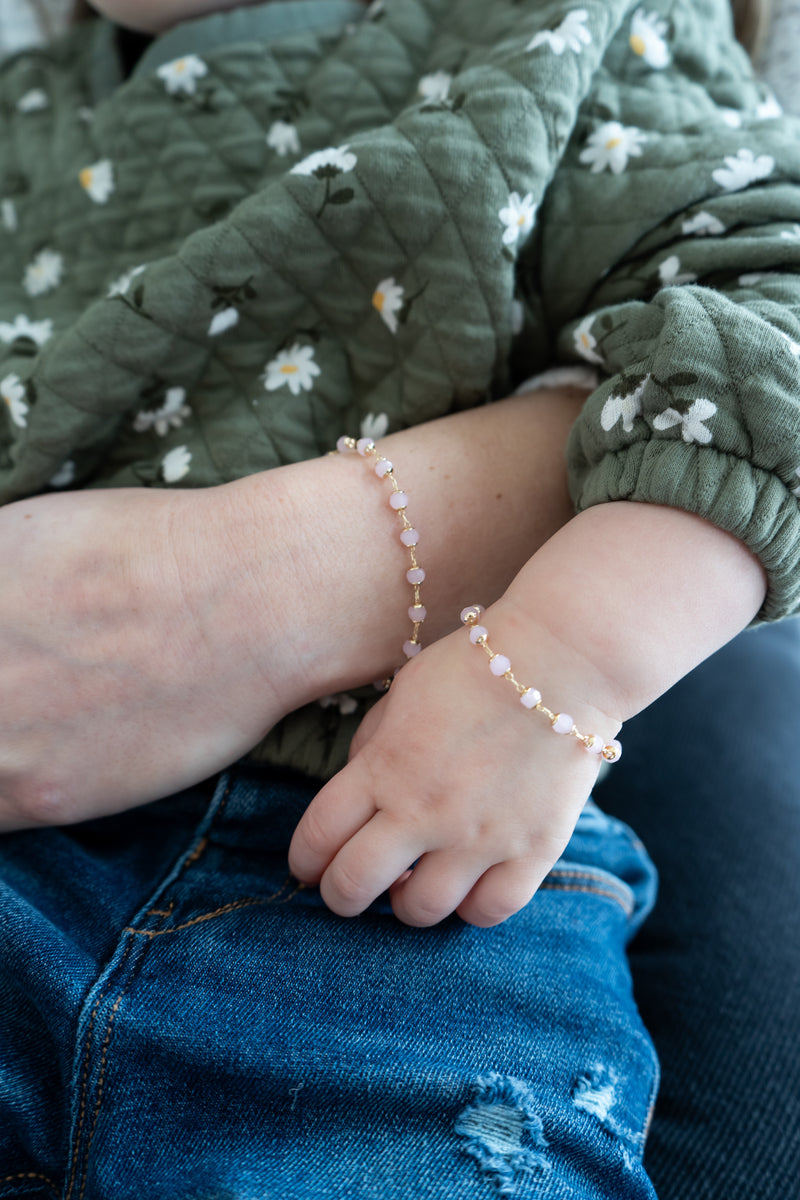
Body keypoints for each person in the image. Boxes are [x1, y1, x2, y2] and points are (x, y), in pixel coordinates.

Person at [0, 0, 797, 1195]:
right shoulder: (29, 108)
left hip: (408, 891)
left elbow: (769, 329)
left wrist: (552, 671)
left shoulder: (574, 28)